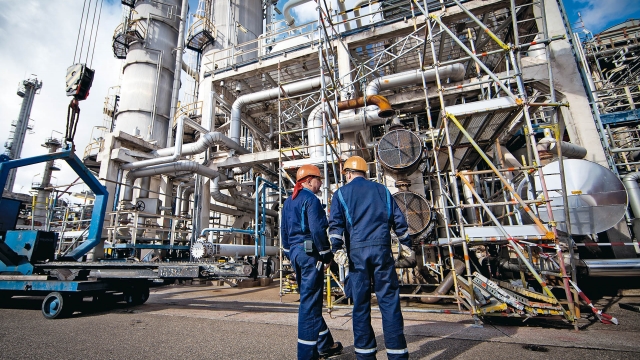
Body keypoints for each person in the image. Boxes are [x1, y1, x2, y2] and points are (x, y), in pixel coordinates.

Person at [329, 156, 412, 360]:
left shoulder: (340, 194)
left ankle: (365, 355)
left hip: (357, 255)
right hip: (382, 251)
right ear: (365, 173)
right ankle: (398, 355)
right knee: (389, 302)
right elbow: (398, 220)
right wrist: (406, 245)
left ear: (348, 173)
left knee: (361, 304)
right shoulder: (382, 190)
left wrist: (337, 249)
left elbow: (336, 226)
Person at [281, 164, 343, 360]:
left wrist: (290, 254)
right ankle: (306, 355)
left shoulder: (288, 202)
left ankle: (326, 344)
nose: (321, 183)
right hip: (310, 256)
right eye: (319, 179)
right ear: (308, 181)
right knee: (309, 306)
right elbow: (317, 231)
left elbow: (283, 232)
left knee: (311, 301)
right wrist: (326, 255)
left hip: (296, 255)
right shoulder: (312, 200)